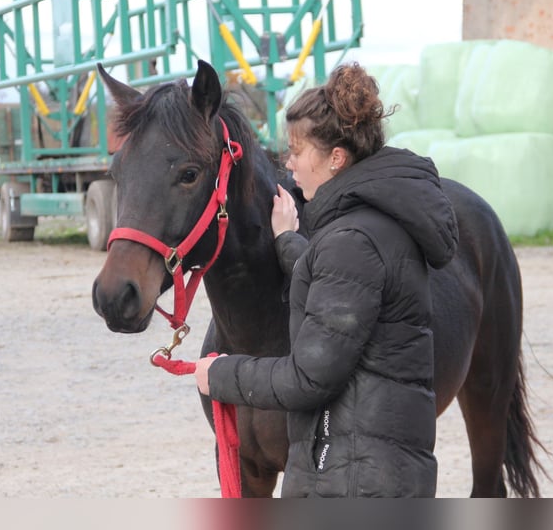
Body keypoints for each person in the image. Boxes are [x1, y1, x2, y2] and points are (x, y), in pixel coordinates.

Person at [195, 62, 459, 497]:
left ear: (336, 158)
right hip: (375, 466)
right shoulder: (370, 223)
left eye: (298, 151)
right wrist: (286, 241)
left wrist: (222, 374)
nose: (288, 163)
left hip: (351, 478)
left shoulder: (351, 239)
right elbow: (342, 288)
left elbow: (308, 378)